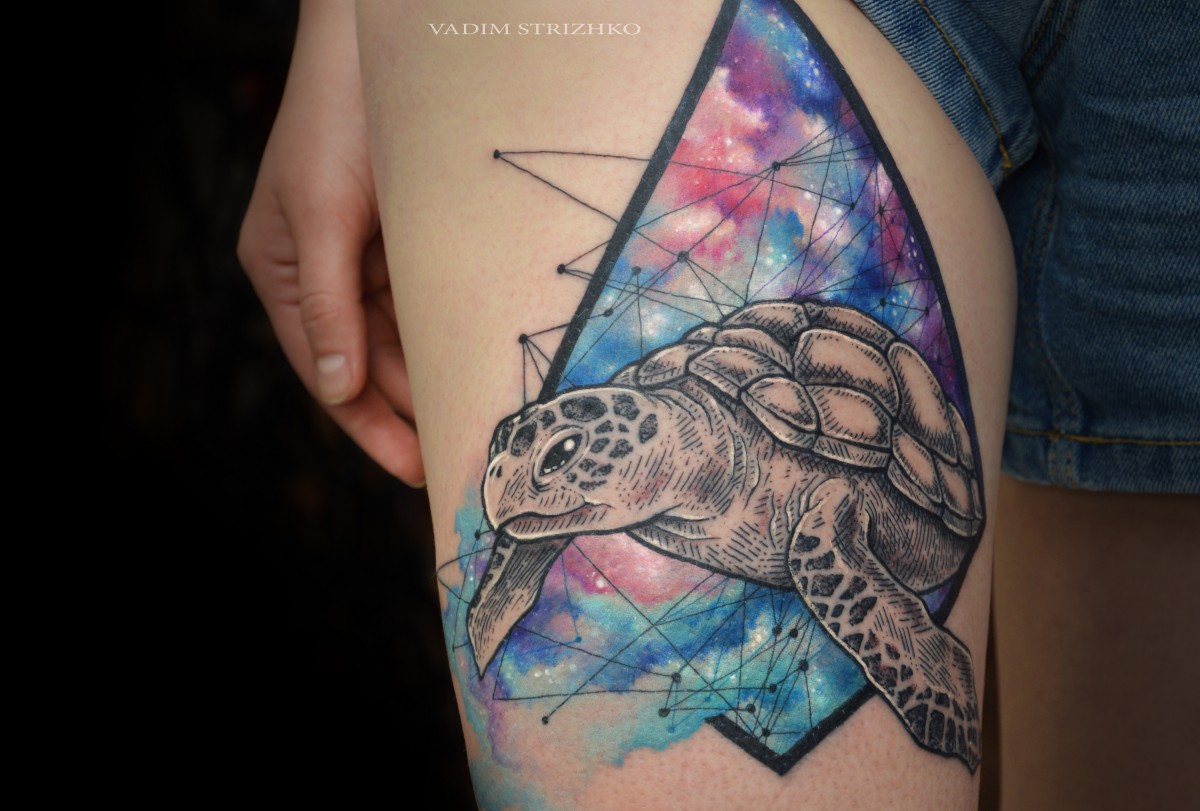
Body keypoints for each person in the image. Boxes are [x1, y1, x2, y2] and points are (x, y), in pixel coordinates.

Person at [238, 2, 1199, 809]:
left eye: (562, 462)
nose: (529, 490)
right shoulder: (649, 476)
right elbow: (540, 505)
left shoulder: (770, 463)